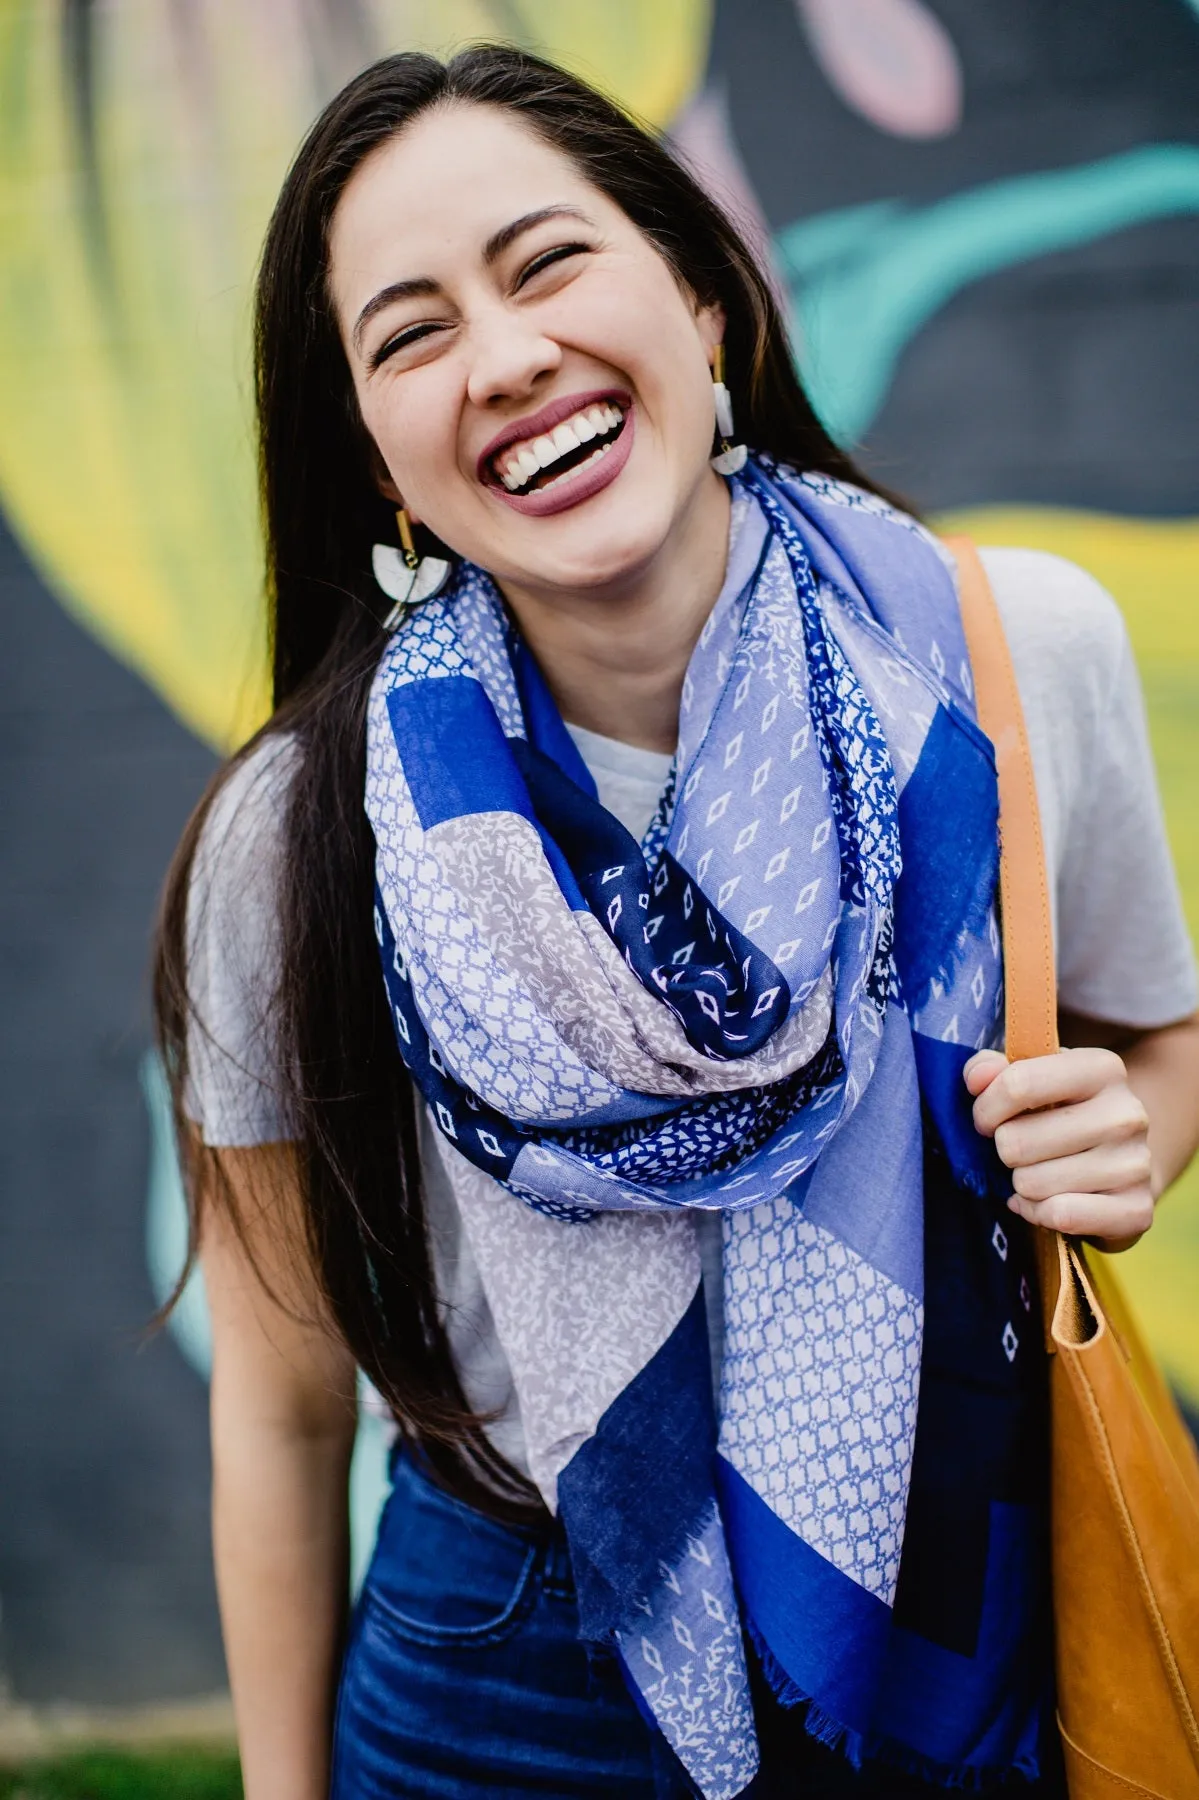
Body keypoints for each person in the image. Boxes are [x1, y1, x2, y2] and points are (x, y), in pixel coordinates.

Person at [154, 45, 1199, 1800]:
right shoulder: (298, 835)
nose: (504, 358)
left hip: (949, 1592)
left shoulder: (1008, 658)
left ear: (703, 300)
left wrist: (1134, 1140)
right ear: (381, 460)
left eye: (547, 262)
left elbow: (1159, 1044)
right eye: (408, 335)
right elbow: (276, 1405)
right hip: (503, 1658)